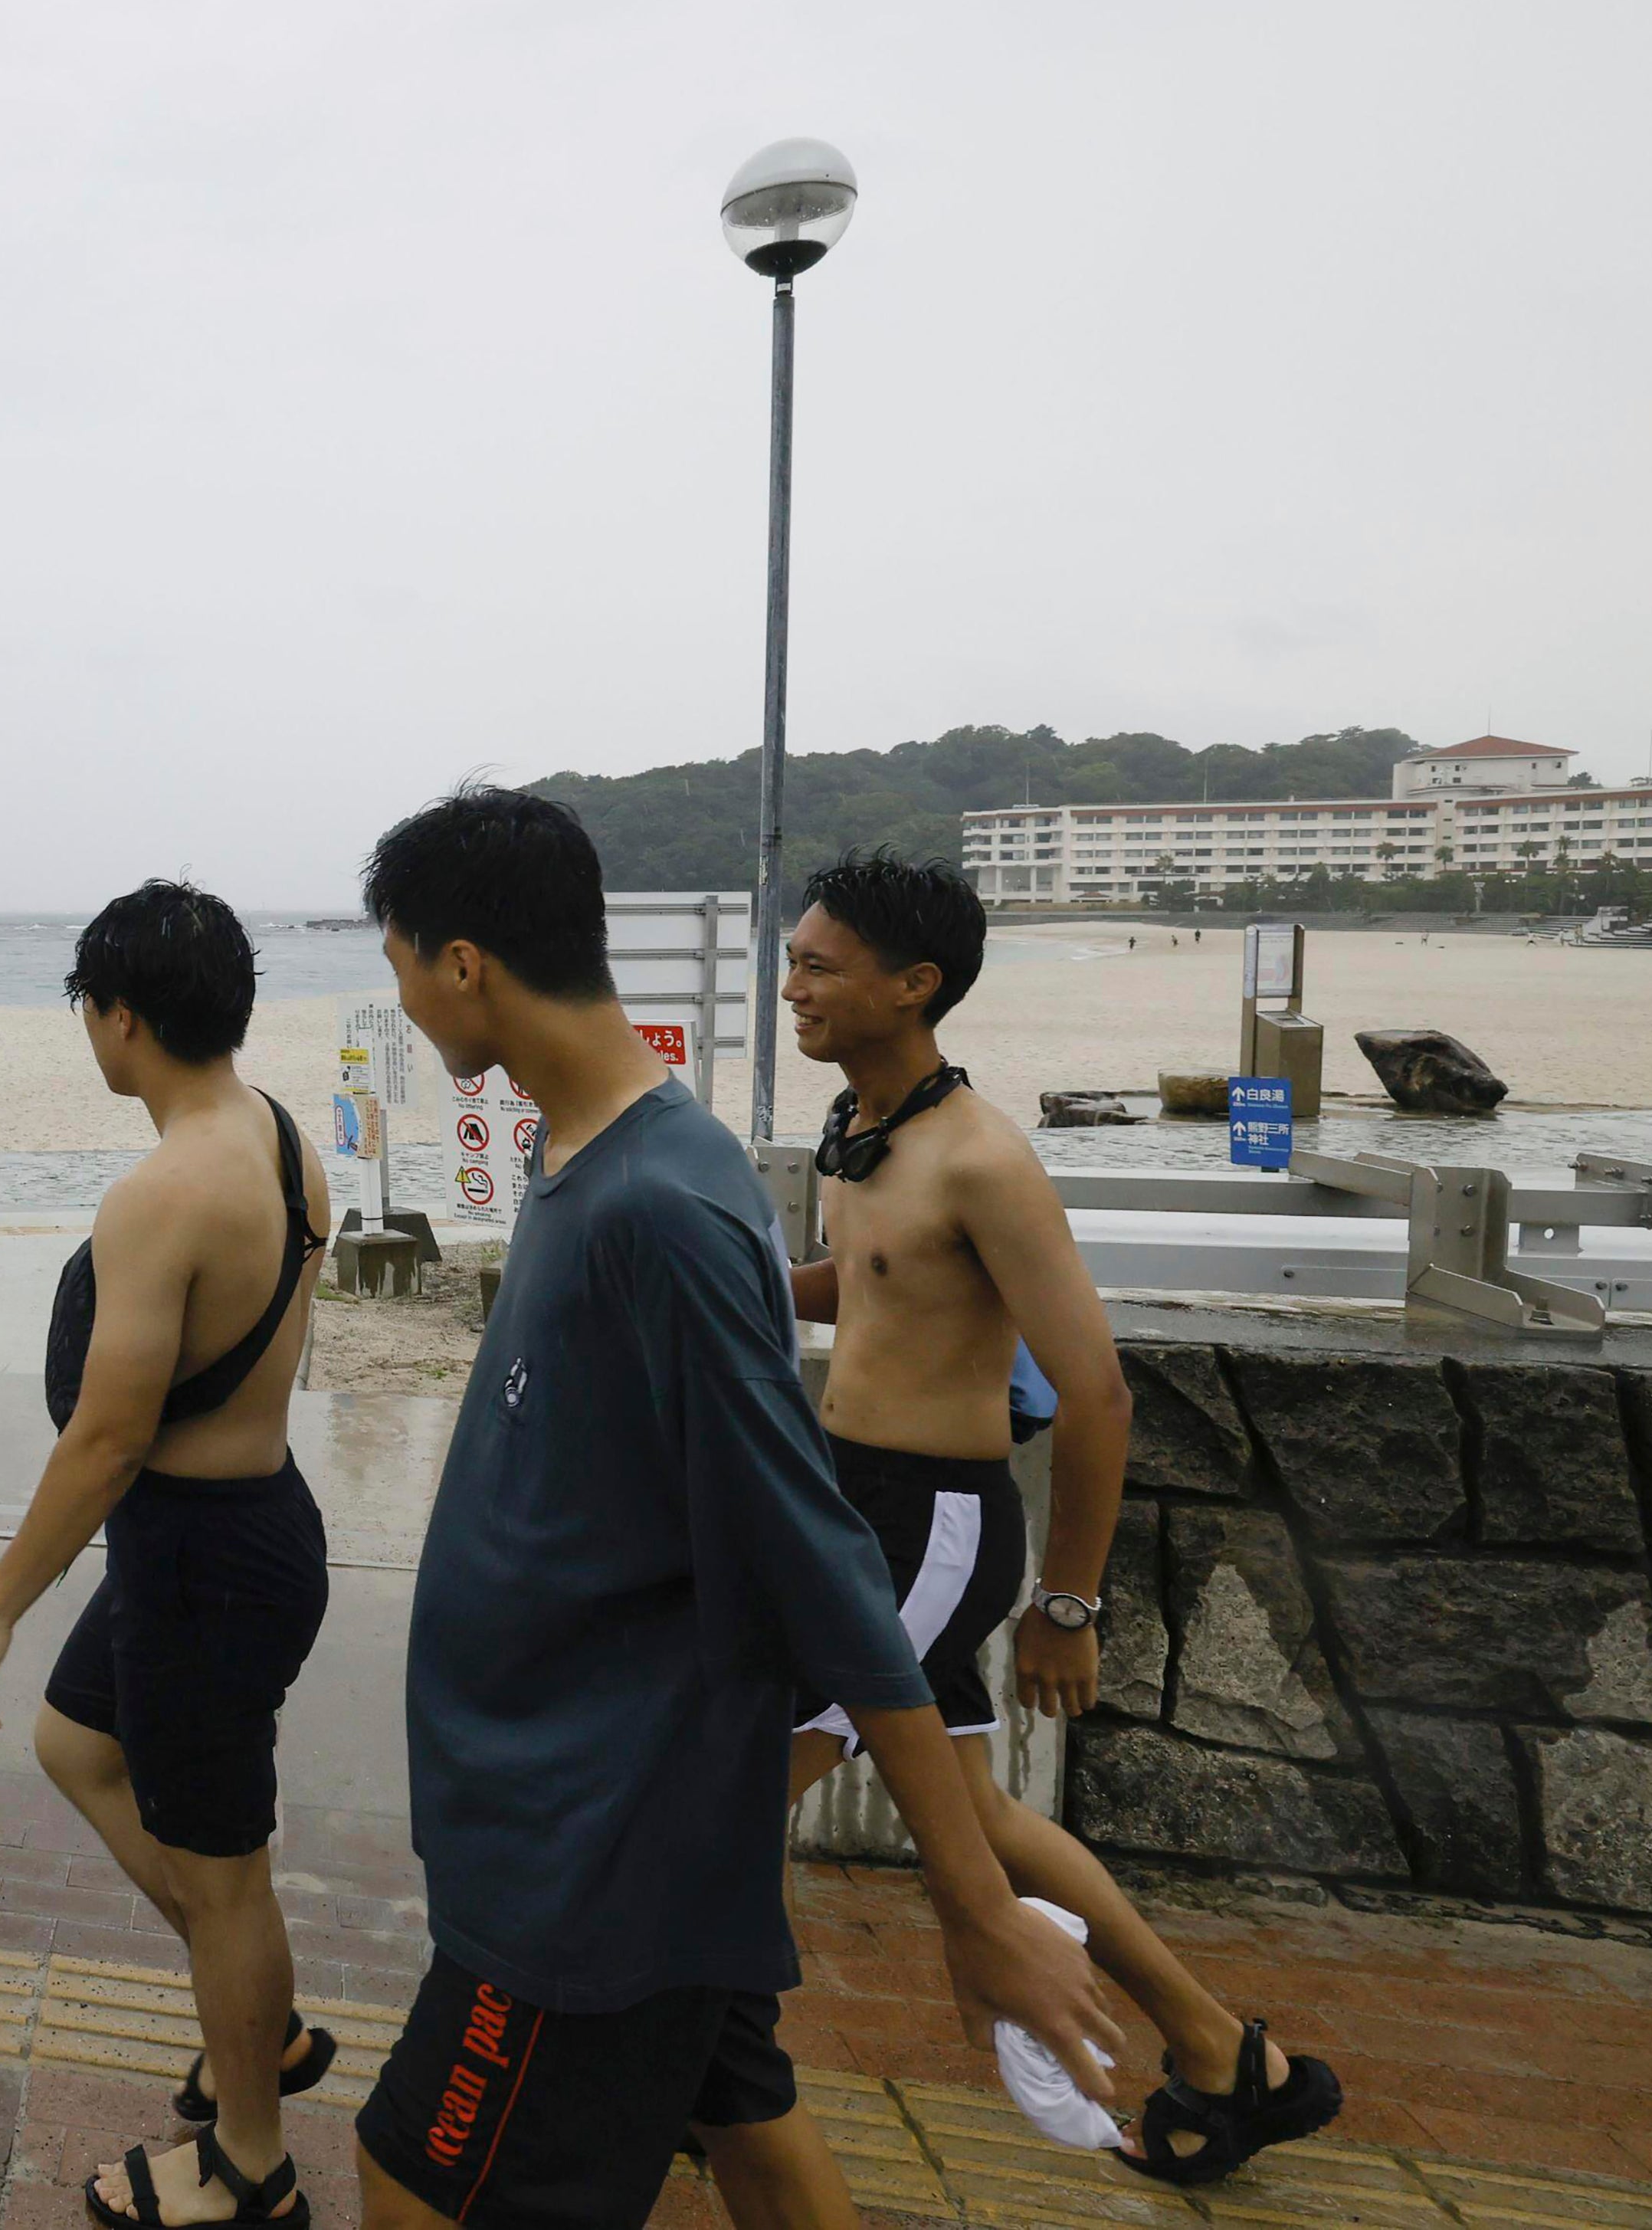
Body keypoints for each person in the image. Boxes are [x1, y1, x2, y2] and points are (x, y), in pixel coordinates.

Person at [352, 789, 1119, 2230]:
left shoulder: (662, 1207)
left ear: (462, 963)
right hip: (572, 1807)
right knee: (744, 2117)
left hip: (595, 1843)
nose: (399, 998)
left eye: (398, 962)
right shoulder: (577, 1153)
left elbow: (821, 1568)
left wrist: (973, 1907)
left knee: (416, 2187)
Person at [700, 850, 1339, 2194]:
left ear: (912, 985)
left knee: (734, 1791)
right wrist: (727, 1281)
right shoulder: (861, 1126)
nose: (794, 982)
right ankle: (1225, 2051)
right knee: (981, 1818)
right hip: (851, 1507)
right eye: (796, 956)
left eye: (820, 963)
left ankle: (698, 2071)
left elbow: (1096, 1388)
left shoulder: (980, 1157)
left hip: (926, 1531)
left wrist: (1068, 1601)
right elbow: (866, 1292)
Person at [0, 881, 335, 2229]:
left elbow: (106, 1439)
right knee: (76, 1742)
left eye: (89, 1013)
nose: (90, 1035)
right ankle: (261, 2027)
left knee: (227, 1876)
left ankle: (250, 2158)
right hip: (253, 1525)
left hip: (201, 1563)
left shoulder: (161, 1192)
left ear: (121, 1017)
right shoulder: (278, 1136)